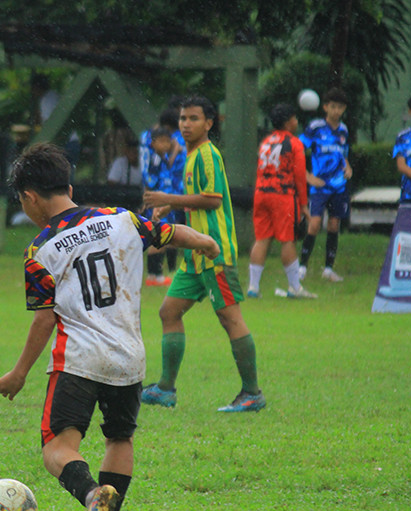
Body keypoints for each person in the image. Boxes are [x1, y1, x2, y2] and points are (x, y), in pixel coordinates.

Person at [0, 142, 220, 511]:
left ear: (29, 197)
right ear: (69, 184)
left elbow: (45, 319)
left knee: (58, 447)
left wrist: (20, 372)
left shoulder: (40, 251)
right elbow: (170, 234)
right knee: (120, 437)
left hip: (78, 360)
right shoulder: (121, 219)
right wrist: (205, 242)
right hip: (129, 359)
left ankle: (93, 495)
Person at [141, 95, 266, 413]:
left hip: (215, 252)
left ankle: (252, 393)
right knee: (169, 312)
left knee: (229, 317)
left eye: (194, 118)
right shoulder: (192, 154)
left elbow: (212, 199)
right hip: (195, 253)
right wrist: (172, 205)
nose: (186, 124)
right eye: (183, 118)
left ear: (209, 123)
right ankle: (165, 389)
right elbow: (198, 195)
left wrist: (167, 197)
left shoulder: (207, 154)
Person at [248, 104, 316, 299]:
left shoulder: (266, 142)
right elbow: (299, 176)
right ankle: (295, 287)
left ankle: (253, 287)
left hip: (261, 193)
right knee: (287, 240)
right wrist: (303, 204)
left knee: (262, 239)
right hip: (282, 195)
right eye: (294, 119)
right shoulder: (294, 143)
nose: (296, 122)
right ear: (288, 122)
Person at [299, 87, 352, 283]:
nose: (336, 111)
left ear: (344, 109)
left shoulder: (344, 130)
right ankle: (302, 266)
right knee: (314, 224)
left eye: (340, 107)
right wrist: (307, 176)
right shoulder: (315, 127)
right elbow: (297, 151)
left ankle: (328, 269)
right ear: (325, 107)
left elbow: (343, 155)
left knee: (334, 224)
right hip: (319, 186)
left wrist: (348, 167)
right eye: (333, 107)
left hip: (338, 186)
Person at [142, 126, 187, 287]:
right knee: (158, 238)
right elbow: (150, 181)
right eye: (162, 142)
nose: (166, 145)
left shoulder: (163, 157)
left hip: (165, 203)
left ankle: (156, 274)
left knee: (165, 236)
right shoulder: (155, 159)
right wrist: (149, 199)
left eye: (168, 142)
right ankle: (154, 274)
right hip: (157, 203)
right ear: (153, 143)